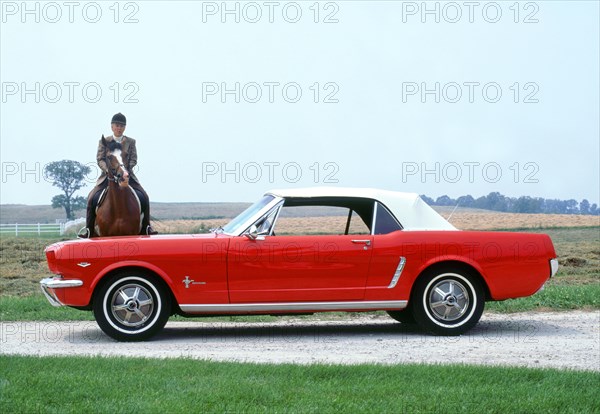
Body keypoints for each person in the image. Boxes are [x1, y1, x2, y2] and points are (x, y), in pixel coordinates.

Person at [79, 113, 157, 237]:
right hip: (108, 176)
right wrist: (107, 170)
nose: (119, 128)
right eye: (117, 125)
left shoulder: (131, 141)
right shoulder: (104, 141)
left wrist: (125, 169)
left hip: (126, 175)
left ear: (125, 127)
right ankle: (89, 229)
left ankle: (147, 227)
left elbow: (133, 159)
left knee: (144, 197)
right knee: (91, 197)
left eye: (122, 126)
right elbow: (100, 159)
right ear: (112, 126)